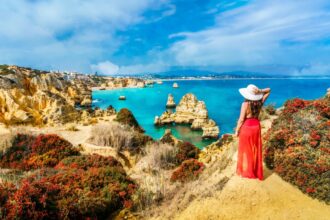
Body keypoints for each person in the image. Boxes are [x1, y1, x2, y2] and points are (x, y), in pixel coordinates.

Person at [235, 84, 271, 180]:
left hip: (247, 127)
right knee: (255, 148)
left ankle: (248, 171)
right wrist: (260, 91)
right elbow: (269, 90)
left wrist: (237, 131)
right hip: (256, 127)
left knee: (247, 150)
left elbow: (241, 119)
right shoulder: (260, 102)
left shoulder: (245, 104)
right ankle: (255, 170)